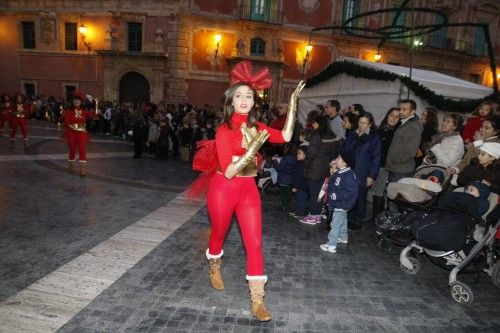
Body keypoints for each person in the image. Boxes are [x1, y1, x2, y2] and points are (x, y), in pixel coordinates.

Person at [197, 60, 305, 322]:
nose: (244, 100)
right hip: (223, 188)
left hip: (248, 190)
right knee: (218, 235)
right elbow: (230, 170)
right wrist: (253, 148)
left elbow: (286, 137)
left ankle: (258, 301)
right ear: (230, 101)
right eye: (239, 96)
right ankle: (214, 266)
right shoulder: (224, 129)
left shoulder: (257, 127)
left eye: (249, 96)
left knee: (254, 243)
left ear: (254, 101)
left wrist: (292, 105)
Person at [340, 112, 381, 230]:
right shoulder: (353, 134)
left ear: (370, 124)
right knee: (348, 195)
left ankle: (357, 221)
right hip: (349, 170)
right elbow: (344, 149)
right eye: (360, 122)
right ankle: (347, 218)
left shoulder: (374, 138)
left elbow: (376, 158)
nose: (361, 125)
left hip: (363, 171)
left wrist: (371, 176)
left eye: (364, 123)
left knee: (360, 197)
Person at [301, 115, 341, 224]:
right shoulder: (332, 135)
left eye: (314, 123)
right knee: (320, 193)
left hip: (314, 168)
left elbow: (311, 153)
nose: (313, 125)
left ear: (319, 123)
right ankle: (318, 215)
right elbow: (336, 152)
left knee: (313, 193)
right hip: (326, 168)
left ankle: (313, 216)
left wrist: (306, 165)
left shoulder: (316, 135)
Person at [320, 153, 358, 253]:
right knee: (343, 220)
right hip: (340, 203)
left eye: (339, 158)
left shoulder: (349, 175)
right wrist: (328, 187)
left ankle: (331, 245)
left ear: (345, 163)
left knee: (335, 224)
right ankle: (343, 237)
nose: (336, 160)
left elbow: (350, 191)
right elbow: (333, 181)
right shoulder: (341, 172)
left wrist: (337, 195)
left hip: (342, 203)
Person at [372, 107, 400, 219]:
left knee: (379, 193)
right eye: (392, 115)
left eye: (397, 117)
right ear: (387, 115)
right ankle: (377, 218)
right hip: (375, 165)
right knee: (376, 193)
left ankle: (378, 219)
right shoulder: (378, 131)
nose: (393, 118)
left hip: (385, 167)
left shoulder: (397, 134)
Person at [62, 95, 98, 176]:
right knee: (72, 150)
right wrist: (75, 127)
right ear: (73, 102)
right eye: (75, 100)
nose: (76, 102)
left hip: (82, 134)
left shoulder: (84, 111)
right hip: (71, 133)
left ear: (81, 102)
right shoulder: (68, 111)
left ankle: (82, 170)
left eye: (78, 100)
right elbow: (66, 123)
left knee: (82, 150)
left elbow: (94, 116)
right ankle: (71, 165)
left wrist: (95, 105)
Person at [273, 143, 298, 212]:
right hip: (292, 178)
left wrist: (275, 162)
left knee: (283, 194)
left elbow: (279, 169)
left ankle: (284, 206)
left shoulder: (285, 158)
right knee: (289, 193)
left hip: (283, 178)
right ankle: (288, 205)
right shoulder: (296, 158)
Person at [290, 145, 309, 218]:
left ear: (305, 155)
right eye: (297, 153)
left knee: (302, 199)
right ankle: (298, 211)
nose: (297, 155)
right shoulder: (300, 163)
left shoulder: (302, 164)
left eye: (299, 153)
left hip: (302, 186)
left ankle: (301, 213)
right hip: (301, 185)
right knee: (299, 199)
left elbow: (299, 176)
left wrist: (295, 186)